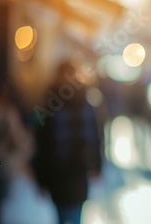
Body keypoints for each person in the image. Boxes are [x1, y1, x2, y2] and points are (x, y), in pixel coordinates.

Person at [34, 60, 102, 224]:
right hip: (78, 170)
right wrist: (97, 166)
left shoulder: (50, 101)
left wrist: (41, 178)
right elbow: (96, 136)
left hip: (58, 171)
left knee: (62, 215)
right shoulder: (87, 100)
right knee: (75, 215)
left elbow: (42, 142)